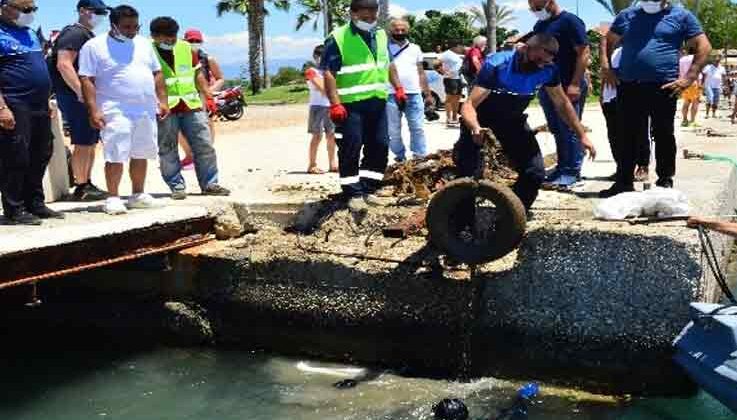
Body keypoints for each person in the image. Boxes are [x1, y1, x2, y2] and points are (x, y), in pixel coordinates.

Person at [455, 34, 596, 214]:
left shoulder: (549, 70)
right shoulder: (497, 64)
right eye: (538, 59)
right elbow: (468, 106)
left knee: (535, 173)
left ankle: (511, 215)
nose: (540, 65)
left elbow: (562, 104)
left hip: (513, 122)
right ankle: (459, 224)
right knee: (468, 175)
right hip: (481, 121)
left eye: (545, 62)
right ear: (526, 48)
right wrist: (475, 128)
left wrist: (582, 135)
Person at [599, 0, 711, 197]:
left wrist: (689, 78)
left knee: (663, 134)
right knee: (627, 134)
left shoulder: (682, 16)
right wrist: (607, 68)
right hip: (629, 85)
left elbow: (704, 46)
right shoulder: (627, 15)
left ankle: (664, 181)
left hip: (664, 86)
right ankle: (624, 182)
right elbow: (608, 40)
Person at [79, 5, 168, 215]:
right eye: (127, 27)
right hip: (114, 108)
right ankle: (113, 197)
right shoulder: (94, 46)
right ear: (113, 25)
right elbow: (86, 79)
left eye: (136, 26)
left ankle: (138, 194)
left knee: (141, 151)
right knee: (116, 153)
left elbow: (157, 72)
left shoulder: (144, 44)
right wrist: (93, 110)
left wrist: (162, 100)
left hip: (145, 108)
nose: (132, 31)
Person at [320, 0, 405, 209]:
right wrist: (335, 104)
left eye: (373, 15)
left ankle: (368, 188)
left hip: (377, 101)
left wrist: (399, 88)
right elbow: (329, 72)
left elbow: (389, 64)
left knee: (380, 144)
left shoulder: (381, 35)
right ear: (353, 14)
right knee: (351, 145)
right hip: (350, 105)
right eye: (364, 16)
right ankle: (353, 193)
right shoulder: (338, 38)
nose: (369, 20)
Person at [150, 17, 230, 200]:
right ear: (154, 36)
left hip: (191, 105)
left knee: (204, 144)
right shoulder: (147, 50)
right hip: (165, 108)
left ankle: (210, 184)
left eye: (173, 37)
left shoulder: (185, 47)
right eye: (165, 39)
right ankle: (176, 186)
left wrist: (208, 94)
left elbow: (197, 73)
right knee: (168, 147)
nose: (170, 42)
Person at [0, 0, 64, 225]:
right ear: (5, 7)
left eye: (34, 9)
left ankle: (34, 202)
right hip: (14, 103)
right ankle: (14, 208)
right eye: (26, 9)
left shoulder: (30, 34)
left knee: (42, 151)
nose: (31, 14)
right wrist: (2, 108)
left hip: (39, 104)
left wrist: (46, 99)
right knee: (16, 155)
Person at [50, 0, 109, 202]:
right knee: (83, 141)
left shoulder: (85, 34)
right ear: (83, 11)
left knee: (90, 141)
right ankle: (81, 185)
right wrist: (81, 92)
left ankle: (87, 182)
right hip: (73, 96)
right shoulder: (75, 33)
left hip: (82, 96)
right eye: (98, 11)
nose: (102, 16)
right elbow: (64, 64)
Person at [528, 0, 589, 189]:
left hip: (569, 84)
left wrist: (575, 83)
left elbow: (584, 52)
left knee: (569, 127)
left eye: (537, 7)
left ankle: (572, 172)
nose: (535, 11)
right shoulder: (540, 25)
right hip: (548, 86)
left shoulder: (570, 21)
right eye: (532, 8)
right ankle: (562, 168)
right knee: (556, 129)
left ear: (550, 2)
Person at [386, 17, 433, 162]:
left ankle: (419, 156)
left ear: (407, 31)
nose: (399, 32)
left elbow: (420, 72)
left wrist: (428, 94)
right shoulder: (384, 48)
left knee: (417, 127)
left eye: (402, 30)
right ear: (390, 31)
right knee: (393, 130)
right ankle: (399, 156)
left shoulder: (415, 48)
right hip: (390, 94)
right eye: (396, 30)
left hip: (413, 93)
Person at [179, 28, 225, 169]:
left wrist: (209, 92)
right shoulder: (179, 57)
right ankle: (189, 155)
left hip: (202, 96)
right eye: (191, 41)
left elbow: (220, 78)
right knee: (179, 127)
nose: (194, 43)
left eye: (197, 41)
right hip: (183, 95)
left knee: (206, 125)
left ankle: (205, 156)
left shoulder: (207, 59)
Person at [304, 44, 337, 174]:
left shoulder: (330, 71)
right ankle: (312, 165)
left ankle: (333, 164)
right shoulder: (311, 71)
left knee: (332, 136)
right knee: (317, 136)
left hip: (331, 106)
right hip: (317, 107)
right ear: (315, 57)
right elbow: (324, 89)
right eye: (319, 56)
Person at [600, 46, 622, 175]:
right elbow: (605, 73)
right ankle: (620, 167)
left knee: (632, 135)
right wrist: (602, 94)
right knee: (614, 136)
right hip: (610, 98)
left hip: (628, 98)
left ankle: (640, 167)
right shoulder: (613, 53)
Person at [438, 41, 465, 127]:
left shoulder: (456, 55)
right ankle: (448, 118)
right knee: (449, 99)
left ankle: (454, 118)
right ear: (455, 46)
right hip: (450, 80)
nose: (461, 48)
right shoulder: (446, 54)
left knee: (457, 99)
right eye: (460, 46)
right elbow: (436, 63)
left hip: (458, 79)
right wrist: (444, 73)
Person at [679, 48, 702, 127]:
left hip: (684, 82)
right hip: (693, 82)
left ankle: (684, 120)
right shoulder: (695, 59)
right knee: (695, 102)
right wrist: (699, 83)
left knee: (686, 102)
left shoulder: (681, 60)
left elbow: (679, 72)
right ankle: (692, 121)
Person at [702, 55, 726, 119]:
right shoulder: (708, 67)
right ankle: (707, 114)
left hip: (718, 86)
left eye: (718, 61)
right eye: (715, 61)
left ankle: (713, 113)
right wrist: (702, 85)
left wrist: (725, 85)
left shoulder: (722, 68)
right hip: (709, 86)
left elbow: (724, 77)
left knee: (716, 101)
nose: (717, 62)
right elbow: (703, 76)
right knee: (710, 98)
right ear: (713, 61)